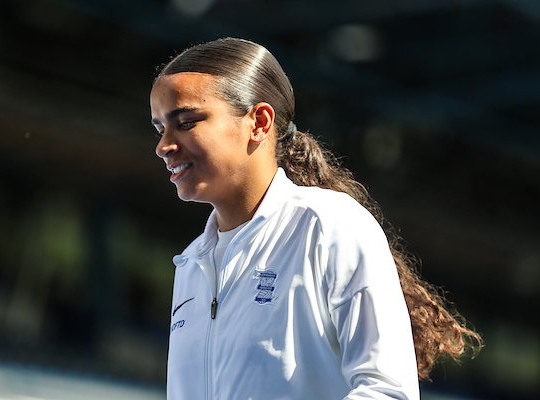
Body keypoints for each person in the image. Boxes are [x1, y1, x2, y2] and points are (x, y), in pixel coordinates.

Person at [149, 37, 482, 400]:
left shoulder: (329, 226)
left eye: (186, 122)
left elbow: (388, 392)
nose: (163, 146)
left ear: (259, 122)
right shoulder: (191, 264)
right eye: (159, 128)